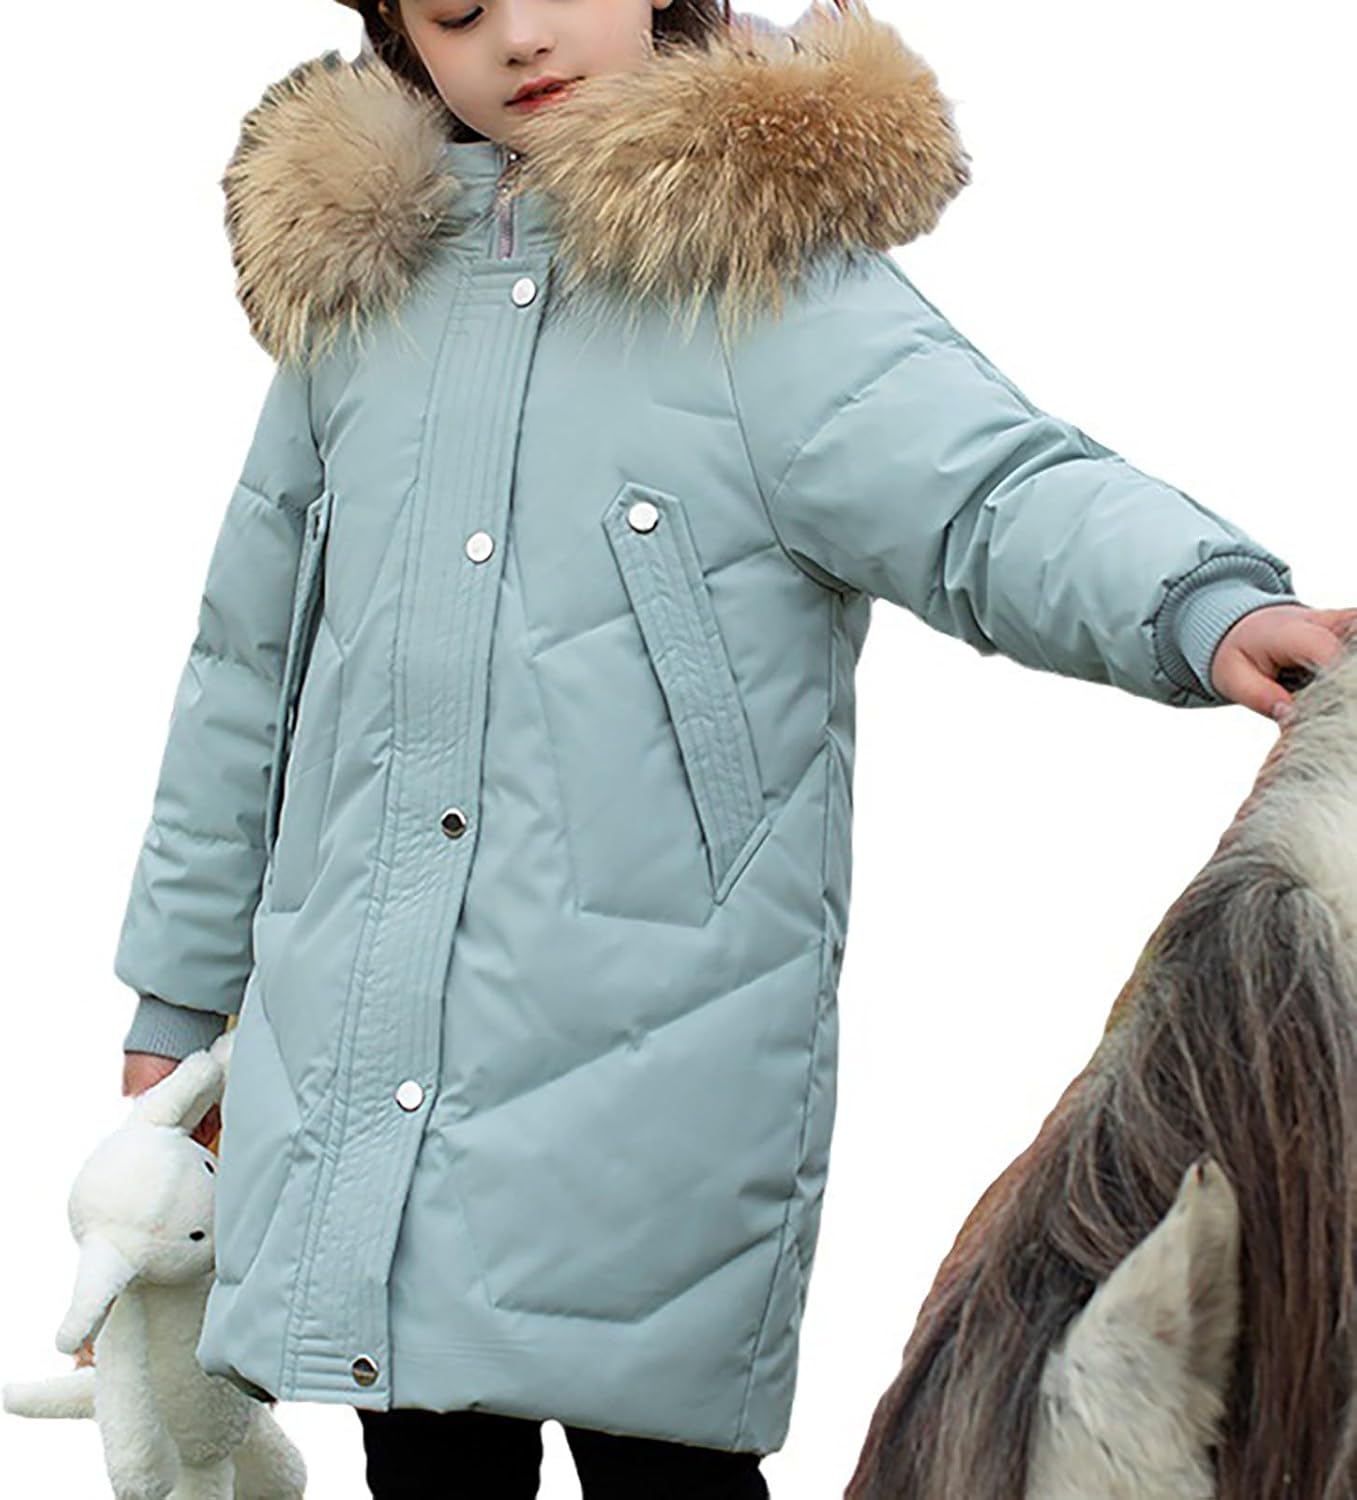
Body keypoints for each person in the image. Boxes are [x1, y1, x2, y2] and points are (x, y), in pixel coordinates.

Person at [115, 0, 1357, 1495]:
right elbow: (246, 672)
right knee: (423, 1457)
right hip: (356, 1032)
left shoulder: (758, 274)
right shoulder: (364, 311)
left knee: (664, 1461)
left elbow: (988, 491)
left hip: (659, 1045)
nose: (518, 37)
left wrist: (1201, 606)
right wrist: (179, 994)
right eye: (457, 11)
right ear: (394, 29)